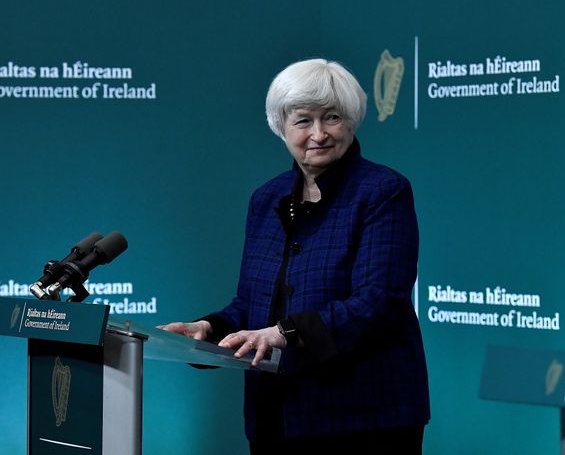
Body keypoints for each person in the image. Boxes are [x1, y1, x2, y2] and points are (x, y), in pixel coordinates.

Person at [160, 59, 430, 454]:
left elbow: (379, 301)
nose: (318, 134)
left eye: (332, 118)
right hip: (275, 415)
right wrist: (210, 330)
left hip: (365, 416)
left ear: (351, 122)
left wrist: (284, 334)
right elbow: (250, 304)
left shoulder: (382, 192)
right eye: (303, 120)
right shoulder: (266, 199)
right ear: (281, 126)